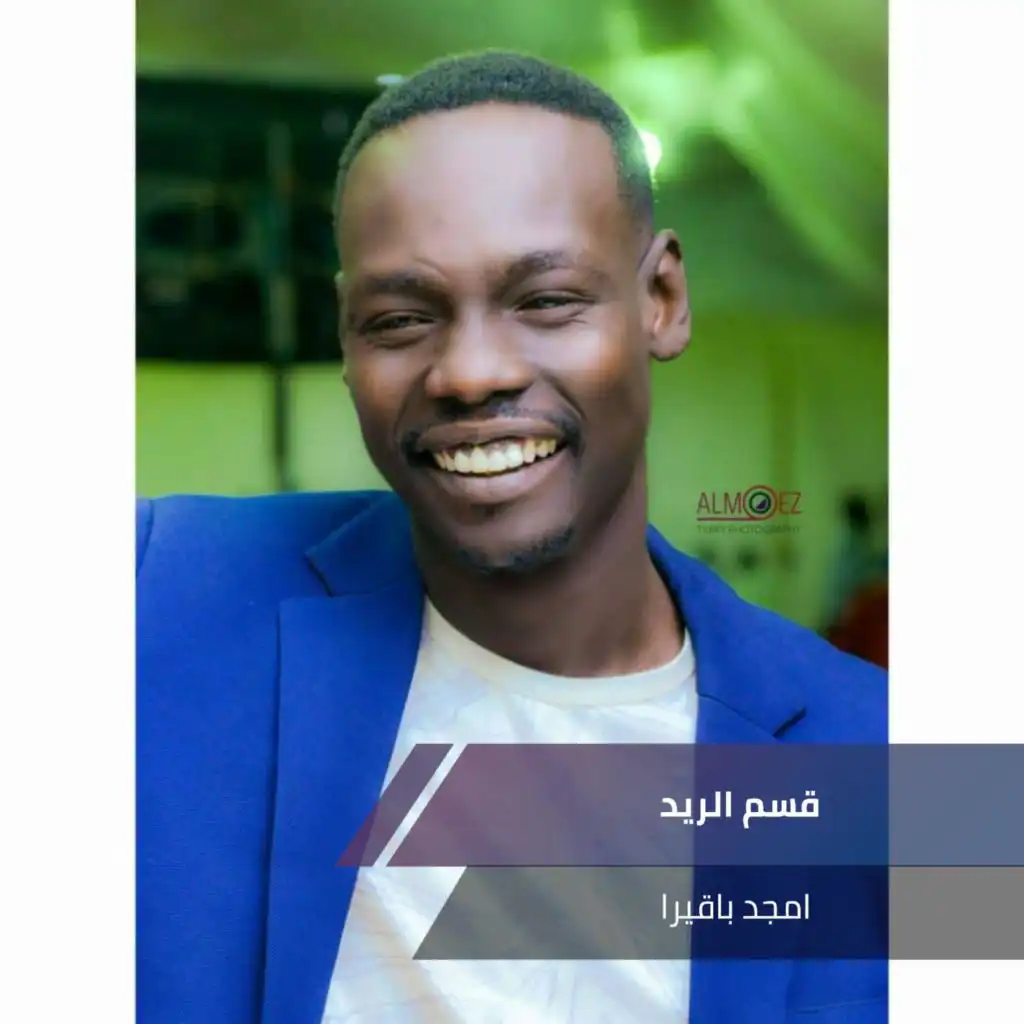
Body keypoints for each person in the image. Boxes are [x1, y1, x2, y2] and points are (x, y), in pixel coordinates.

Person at [137, 52, 887, 1024]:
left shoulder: (875, 757)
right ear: (346, 337)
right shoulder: (159, 593)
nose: (470, 372)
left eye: (544, 300)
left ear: (661, 298)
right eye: (399, 318)